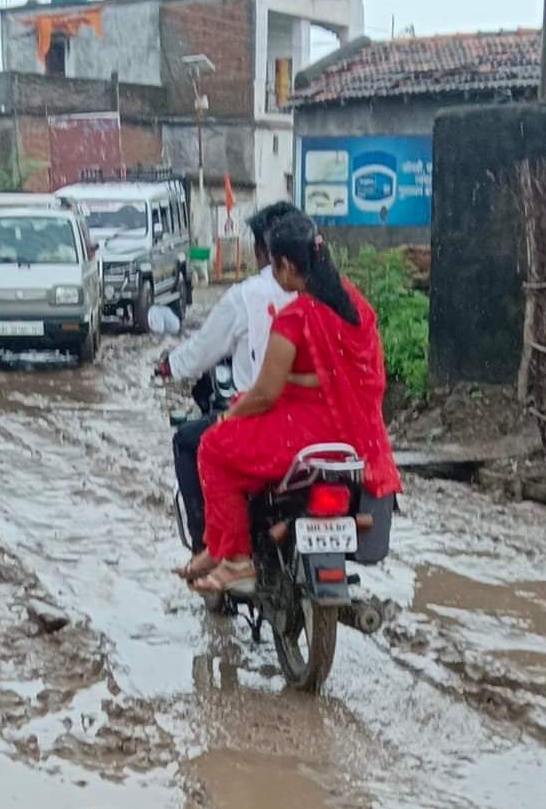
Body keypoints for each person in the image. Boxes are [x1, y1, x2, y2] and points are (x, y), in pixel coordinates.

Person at [193, 210, 401, 597]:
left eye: (274, 266)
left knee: (212, 446)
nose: (273, 275)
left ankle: (237, 560)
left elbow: (264, 394)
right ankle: (220, 547)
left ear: (287, 265)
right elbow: (343, 376)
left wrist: (228, 417)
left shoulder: (297, 317)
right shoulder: (355, 305)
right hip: (357, 433)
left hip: (305, 433)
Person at [154, 200, 296, 572]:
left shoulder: (250, 295)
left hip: (265, 418)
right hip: (328, 425)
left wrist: (170, 365)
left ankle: (213, 550)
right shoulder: (331, 295)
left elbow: (203, 350)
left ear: (264, 251)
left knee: (193, 442)